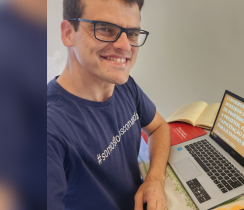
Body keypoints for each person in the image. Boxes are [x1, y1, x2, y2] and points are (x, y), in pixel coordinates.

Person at [47, 0, 171, 209]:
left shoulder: (124, 85)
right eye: (105, 29)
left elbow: (159, 127)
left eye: (132, 33)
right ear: (68, 33)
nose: (125, 46)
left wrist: (155, 179)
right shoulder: (47, 130)